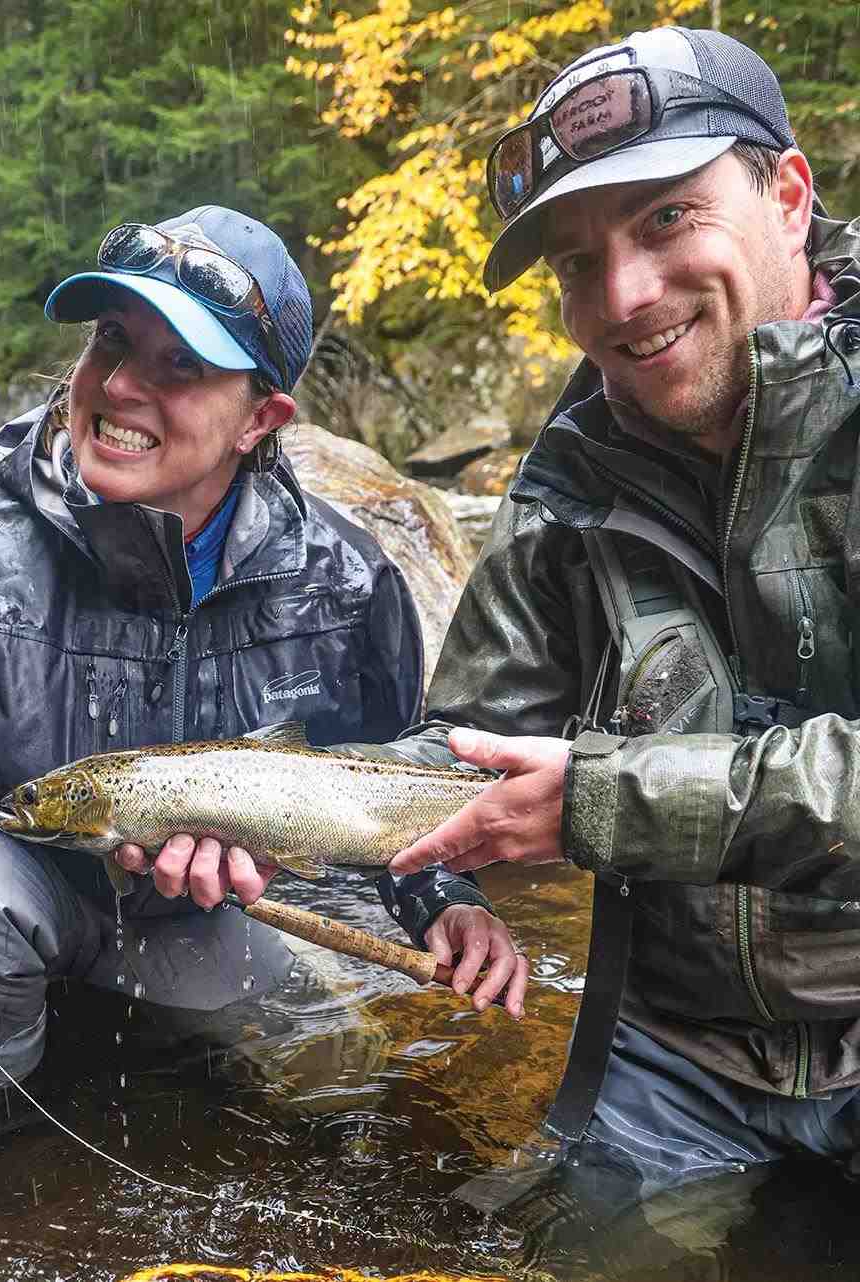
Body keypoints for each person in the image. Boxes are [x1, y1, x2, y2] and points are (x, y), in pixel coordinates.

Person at [0, 205, 524, 1099]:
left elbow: (387, 790)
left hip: (218, 922)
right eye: (112, 340)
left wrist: (448, 899)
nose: (119, 385)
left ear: (260, 419)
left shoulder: (343, 579)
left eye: (181, 365)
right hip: (7, 913)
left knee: (343, 1098)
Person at [370, 22, 860, 1237]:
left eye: (666, 220)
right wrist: (225, 818)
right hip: (674, 1063)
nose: (625, 298)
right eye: (580, 264)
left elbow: (595, 796)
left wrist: (604, 800)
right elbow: (452, 757)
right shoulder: (565, 483)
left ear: (788, 198)